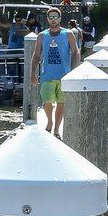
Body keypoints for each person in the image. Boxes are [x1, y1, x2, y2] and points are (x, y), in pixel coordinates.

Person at [37, 8, 80, 136]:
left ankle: (56, 129)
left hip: (64, 76)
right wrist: (32, 74)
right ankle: (49, 122)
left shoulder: (68, 34)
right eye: (50, 17)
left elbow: (75, 52)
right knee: (47, 101)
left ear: (60, 19)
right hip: (47, 76)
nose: (53, 19)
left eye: (55, 17)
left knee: (62, 103)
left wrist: (74, 70)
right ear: (47, 19)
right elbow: (36, 55)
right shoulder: (42, 35)